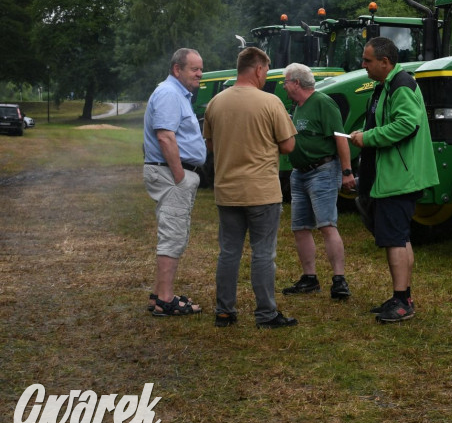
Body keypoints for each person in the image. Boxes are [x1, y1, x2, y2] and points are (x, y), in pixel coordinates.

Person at [203, 47, 299, 329]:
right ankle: (266, 314)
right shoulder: (270, 102)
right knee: (262, 253)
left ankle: (224, 311)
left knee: (229, 252)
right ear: (258, 69)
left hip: (227, 191)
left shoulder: (215, 103)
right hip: (261, 192)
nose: (266, 76)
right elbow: (288, 145)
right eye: (266, 71)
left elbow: (210, 145)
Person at [350, 37, 438, 323]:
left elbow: (406, 124)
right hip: (392, 175)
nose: (363, 66)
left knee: (394, 240)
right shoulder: (384, 87)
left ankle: (402, 302)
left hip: (399, 177)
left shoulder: (401, 85)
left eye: (367, 61)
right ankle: (403, 295)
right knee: (399, 237)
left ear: (384, 62)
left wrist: (368, 138)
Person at [280, 62, 358, 299]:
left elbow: (340, 138)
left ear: (296, 83)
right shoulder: (298, 106)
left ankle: (339, 280)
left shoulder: (323, 102)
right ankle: (310, 278)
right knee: (300, 227)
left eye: (285, 81)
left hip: (322, 170)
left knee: (326, 225)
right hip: (300, 173)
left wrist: (347, 172)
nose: (283, 85)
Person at [143, 48, 206, 317]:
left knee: (175, 233)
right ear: (176, 70)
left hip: (170, 173)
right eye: (194, 69)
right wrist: (180, 175)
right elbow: (165, 137)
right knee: (173, 234)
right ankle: (165, 301)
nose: (200, 74)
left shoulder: (177, 94)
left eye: (200, 69)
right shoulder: (169, 93)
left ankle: (160, 295)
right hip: (171, 175)